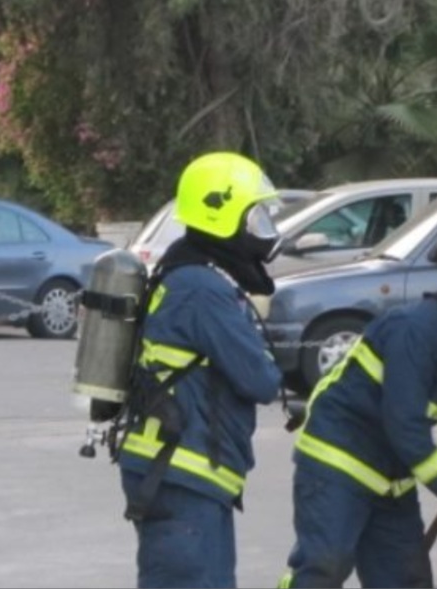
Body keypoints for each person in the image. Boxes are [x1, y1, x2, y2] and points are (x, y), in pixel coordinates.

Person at [281, 239, 437, 588]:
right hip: (337, 461)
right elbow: (405, 426)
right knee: (325, 566)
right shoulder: (416, 328)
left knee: (405, 581)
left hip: (391, 479)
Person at [116, 152, 284, 588]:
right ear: (222, 214)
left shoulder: (187, 272)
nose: (262, 230)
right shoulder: (203, 288)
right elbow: (262, 380)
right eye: (255, 217)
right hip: (183, 477)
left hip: (183, 475)